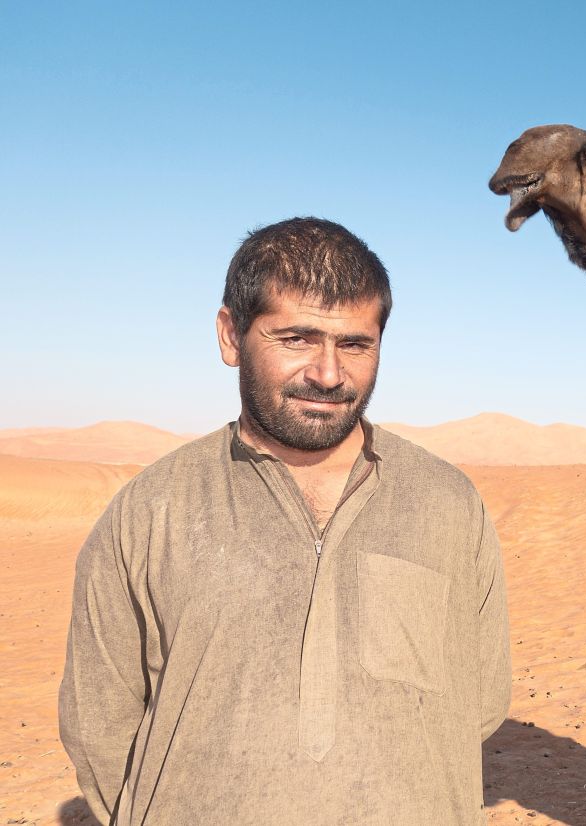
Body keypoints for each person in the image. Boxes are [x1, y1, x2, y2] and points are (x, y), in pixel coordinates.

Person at [59, 218, 511, 825]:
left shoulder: (448, 504)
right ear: (231, 336)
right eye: (297, 339)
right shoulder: (152, 509)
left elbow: (479, 701)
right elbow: (99, 725)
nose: (328, 374)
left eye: (354, 344)